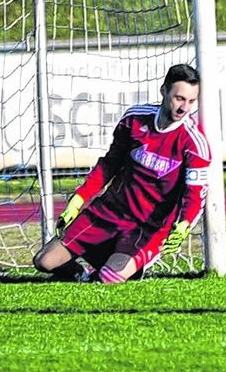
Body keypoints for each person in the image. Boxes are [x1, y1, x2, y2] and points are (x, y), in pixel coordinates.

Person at [32, 64, 212, 283]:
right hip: (108, 212)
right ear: (164, 91)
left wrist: (184, 224)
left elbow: (195, 194)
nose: (184, 108)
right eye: (179, 98)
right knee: (44, 261)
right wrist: (79, 198)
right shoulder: (135, 119)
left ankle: (127, 266)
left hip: (146, 227)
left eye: (191, 101)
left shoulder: (194, 143)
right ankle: (84, 275)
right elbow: (109, 165)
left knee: (109, 277)